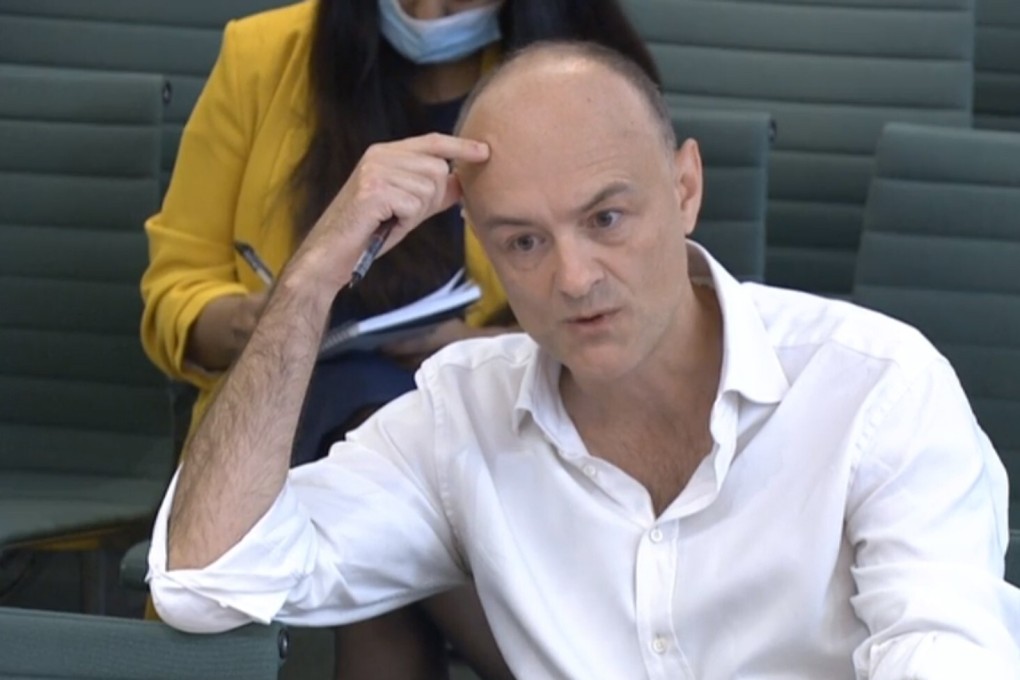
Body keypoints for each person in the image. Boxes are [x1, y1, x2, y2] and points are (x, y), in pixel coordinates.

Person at [148, 42, 1020, 678]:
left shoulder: (875, 387)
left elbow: (944, 653)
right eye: (522, 242)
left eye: (606, 219)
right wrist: (312, 279)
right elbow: (206, 581)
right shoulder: (460, 417)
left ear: (685, 189)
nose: (572, 278)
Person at [139, 2, 656, 676]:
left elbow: (626, 294)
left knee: (400, 498)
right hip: (296, 410)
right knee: (366, 422)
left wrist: (477, 343)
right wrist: (273, 316)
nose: (431, 11)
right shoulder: (264, 54)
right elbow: (176, 286)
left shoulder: (572, 70)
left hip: (498, 413)